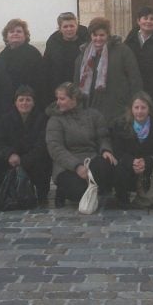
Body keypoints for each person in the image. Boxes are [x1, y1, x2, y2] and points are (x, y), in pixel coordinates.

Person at [46, 81, 118, 209]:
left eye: (62, 99)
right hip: (67, 166)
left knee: (107, 165)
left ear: (74, 99)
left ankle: (98, 188)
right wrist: (77, 166)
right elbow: (55, 148)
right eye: (57, 98)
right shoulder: (55, 120)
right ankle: (64, 191)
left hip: (91, 159)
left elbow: (103, 136)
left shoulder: (93, 115)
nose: (58, 102)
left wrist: (105, 150)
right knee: (78, 191)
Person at [74, 17, 143, 124]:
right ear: (90, 36)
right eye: (95, 35)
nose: (98, 38)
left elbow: (134, 79)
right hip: (91, 110)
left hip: (118, 110)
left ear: (108, 35)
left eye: (102, 35)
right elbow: (77, 84)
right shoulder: (83, 56)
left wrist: (134, 103)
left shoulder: (123, 51)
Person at [0, 85, 51, 205]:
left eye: (28, 100)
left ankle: (41, 195)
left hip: (32, 159)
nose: (24, 103)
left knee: (44, 162)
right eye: (21, 100)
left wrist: (23, 160)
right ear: (15, 102)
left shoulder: (42, 119)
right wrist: (10, 154)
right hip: (10, 159)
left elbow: (42, 144)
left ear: (33, 103)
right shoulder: (5, 119)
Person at [111, 92, 153, 206]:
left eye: (143, 107)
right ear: (131, 109)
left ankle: (150, 192)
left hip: (149, 168)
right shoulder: (121, 125)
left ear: (149, 109)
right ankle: (123, 197)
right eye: (136, 107)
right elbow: (118, 151)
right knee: (118, 172)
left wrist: (146, 162)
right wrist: (132, 162)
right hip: (130, 167)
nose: (139, 111)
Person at [0, 18, 49, 110]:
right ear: (6, 36)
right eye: (11, 31)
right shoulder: (3, 55)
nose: (15, 33)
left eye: (19, 31)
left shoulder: (33, 54)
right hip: (9, 103)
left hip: (30, 102)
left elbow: (41, 81)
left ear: (25, 35)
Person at [43, 12, 90, 94]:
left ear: (77, 26)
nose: (69, 29)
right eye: (65, 27)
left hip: (82, 85)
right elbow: (47, 65)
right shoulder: (53, 43)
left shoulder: (86, 40)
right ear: (60, 28)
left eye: (72, 26)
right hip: (59, 86)